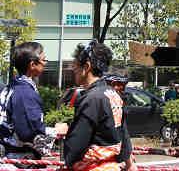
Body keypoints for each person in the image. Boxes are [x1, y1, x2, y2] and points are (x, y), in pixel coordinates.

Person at [63, 41, 135, 171]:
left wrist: (70, 156)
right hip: (112, 166)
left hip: (93, 166)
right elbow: (123, 133)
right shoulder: (112, 94)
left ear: (86, 66)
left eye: (75, 66)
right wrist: (129, 163)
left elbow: (76, 144)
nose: (73, 70)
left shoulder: (91, 98)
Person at [0, 42, 66, 158]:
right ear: (32, 65)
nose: (45, 63)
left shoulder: (13, 86)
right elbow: (28, 133)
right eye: (43, 60)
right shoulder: (24, 93)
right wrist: (56, 131)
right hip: (18, 158)